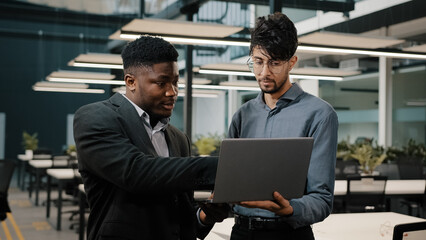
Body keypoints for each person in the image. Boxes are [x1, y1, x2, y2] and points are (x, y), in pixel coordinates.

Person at [73, 35, 228, 240]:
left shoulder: (178, 138)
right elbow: (137, 173)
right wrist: (226, 167)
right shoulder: (95, 118)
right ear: (131, 82)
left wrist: (205, 216)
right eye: (161, 83)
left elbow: (182, 214)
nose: (172, 92)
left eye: (175, 82)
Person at [227, 12, 339, 239]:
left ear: (292, 62)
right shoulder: (242, 115)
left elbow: (322, 199)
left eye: (275, 63)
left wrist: (291, 209)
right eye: (258, 62)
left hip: (289, 232)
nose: (264, 72)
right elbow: (229, 183)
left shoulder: (320, 115)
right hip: (242, 232)